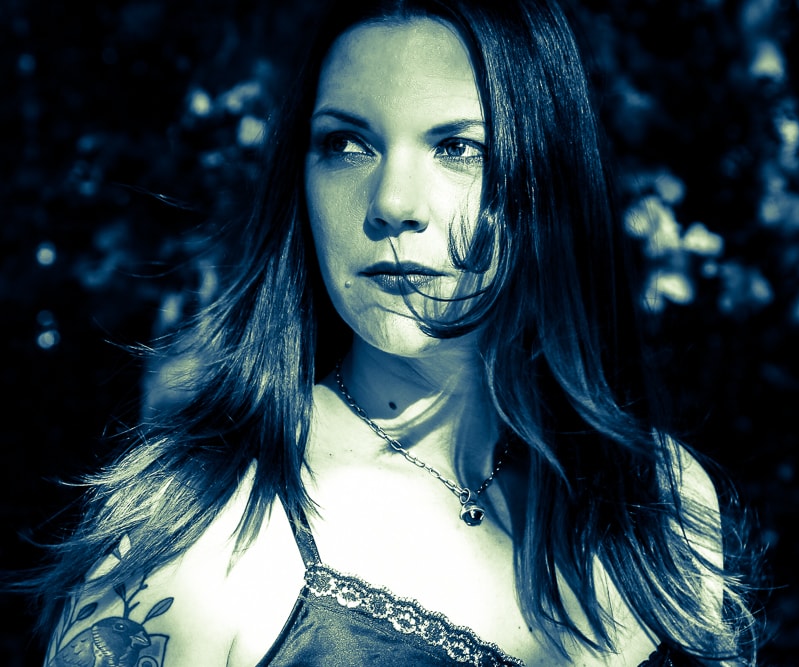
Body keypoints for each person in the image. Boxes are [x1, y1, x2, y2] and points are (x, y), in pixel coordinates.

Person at [28, 0, 761, 664]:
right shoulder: (202, 529)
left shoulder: (661, 496)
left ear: (547, 179)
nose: (392, 202)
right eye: (347, 144)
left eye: (458, 147)